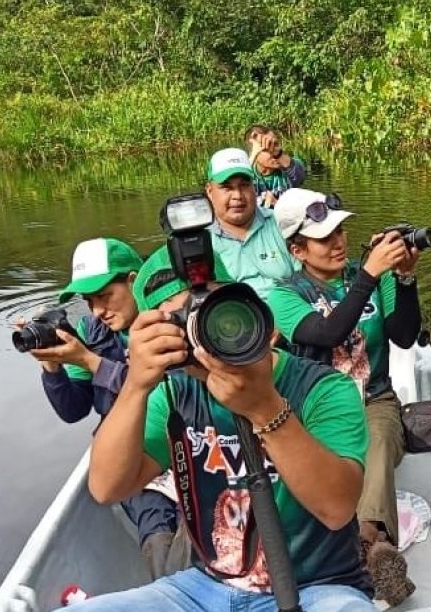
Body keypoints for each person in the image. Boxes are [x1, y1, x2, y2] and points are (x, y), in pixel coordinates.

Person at [68, 245, 376, 611]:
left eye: (215, 316)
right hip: (203, 585)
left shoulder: (322, 387)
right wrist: (136, 385)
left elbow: (337, 508)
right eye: (179, 324)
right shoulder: (175, 393)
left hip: (318, 586)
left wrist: (265, 409)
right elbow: (105, 487)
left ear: (248, 312)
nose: (204, 338)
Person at [266, 188, 422, 607]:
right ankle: (369, 550)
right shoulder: (283, 295)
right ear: (298, 249)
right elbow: (325, 334)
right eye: (324, 236)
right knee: (333, 459)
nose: (338, 242)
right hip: (317, 406)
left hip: (373, 397)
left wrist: (404, 278)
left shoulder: (371, 273)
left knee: (380, 441)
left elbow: (405, 336)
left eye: (340, 230)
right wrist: (370, 275)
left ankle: (372, 541)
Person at [18, 237, 184, 579]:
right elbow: (72, 409)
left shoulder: (171, 321)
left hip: (183, 443)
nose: (98, 311)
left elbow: (166, 387)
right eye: (89, 301)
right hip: (134, 452)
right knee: (154, 521)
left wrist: (90, 361)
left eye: (105, 297)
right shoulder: (90, 331)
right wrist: (51, 365)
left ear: (134, 281)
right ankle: (168, 586)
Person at [204, 147, 299, 298]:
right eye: (227, 188)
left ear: (254, 187)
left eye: (244, 185)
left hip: (291, 311)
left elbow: (308, 275)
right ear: (210, 191)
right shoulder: (201, 240)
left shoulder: (280, 221)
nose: (238, 195)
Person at [245, 124, 306, 207]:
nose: (272, 151)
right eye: (266, 148)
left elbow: (300, 175)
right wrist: (253, 155)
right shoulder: (248, 171)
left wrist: (278, 154)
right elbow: (236, 185)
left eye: (276, 144)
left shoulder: (288, 167)